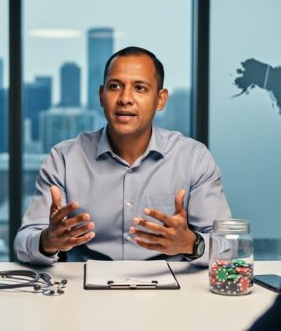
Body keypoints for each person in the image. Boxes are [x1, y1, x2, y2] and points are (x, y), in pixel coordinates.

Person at [14, 46, 231, 266]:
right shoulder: (64, 158)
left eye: (140, 88)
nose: (125, 98)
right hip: (83, 292)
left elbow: (228, 246)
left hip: (171, 291)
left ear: (161, 99)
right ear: (101, 95)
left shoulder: (193, 158)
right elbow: (23, 243)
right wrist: (47, 241)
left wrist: (192, 244)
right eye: (115, 86)